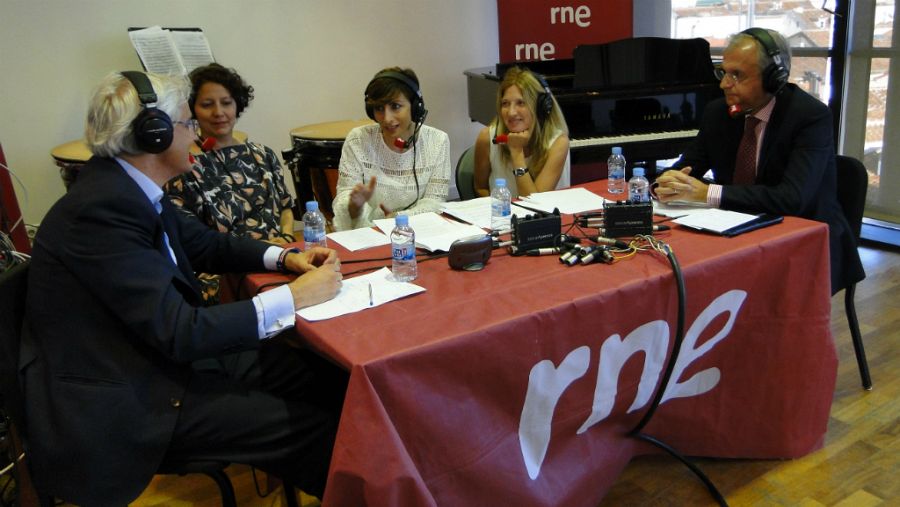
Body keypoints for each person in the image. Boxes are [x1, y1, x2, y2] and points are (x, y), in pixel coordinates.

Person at [20, 71, 345, 505]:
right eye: (187, 123)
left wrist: (285, 257)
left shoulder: (129, 189)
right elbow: (183, 332)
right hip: (134, 398)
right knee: (316, 432)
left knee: (330, 379)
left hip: (164, 363)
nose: (196, 133)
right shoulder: (99, 212)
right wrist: (297, 296)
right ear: (152, 135)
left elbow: (205, 244)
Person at [654, 28, 864, 295]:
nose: (724, 84)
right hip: (737, 229)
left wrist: (708, 193)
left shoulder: (810, 117)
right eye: (723, 72)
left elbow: (792, 199)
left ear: (774, 78)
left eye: (737, 75)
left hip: (805, 239)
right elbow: (687, 167)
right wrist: (665, 183)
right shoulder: (718, 112)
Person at [165, 63, 295, 303]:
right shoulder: (184, 167)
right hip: (224, 272)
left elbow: (286, 207)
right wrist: (264, 249)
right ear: (192, 110)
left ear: (238, 105)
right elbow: (196, 242)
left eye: (226, 103)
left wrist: (286, 238)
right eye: (207, 104)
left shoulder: (262, 154)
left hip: (281, 256)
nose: (219, 112)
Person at [331, 67, 450, 231]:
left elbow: (434, 201)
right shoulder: (358, 140)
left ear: (415, 107)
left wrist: (398, 219)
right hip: (368, 233)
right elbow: (345, 198)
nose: (387, 118)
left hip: (419, 232)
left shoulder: (437, 141)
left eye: (395, 106)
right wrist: (354, 205)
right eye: (379, 108)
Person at [473, 66, 571, 198]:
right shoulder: (486, 138)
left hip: (543, 216)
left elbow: (536, 203)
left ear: (540, 107)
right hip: (503, 215)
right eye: (505, 104)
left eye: (521, 103)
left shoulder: (558, 143)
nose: (511, 112)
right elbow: (480, 187)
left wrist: (517, 153)